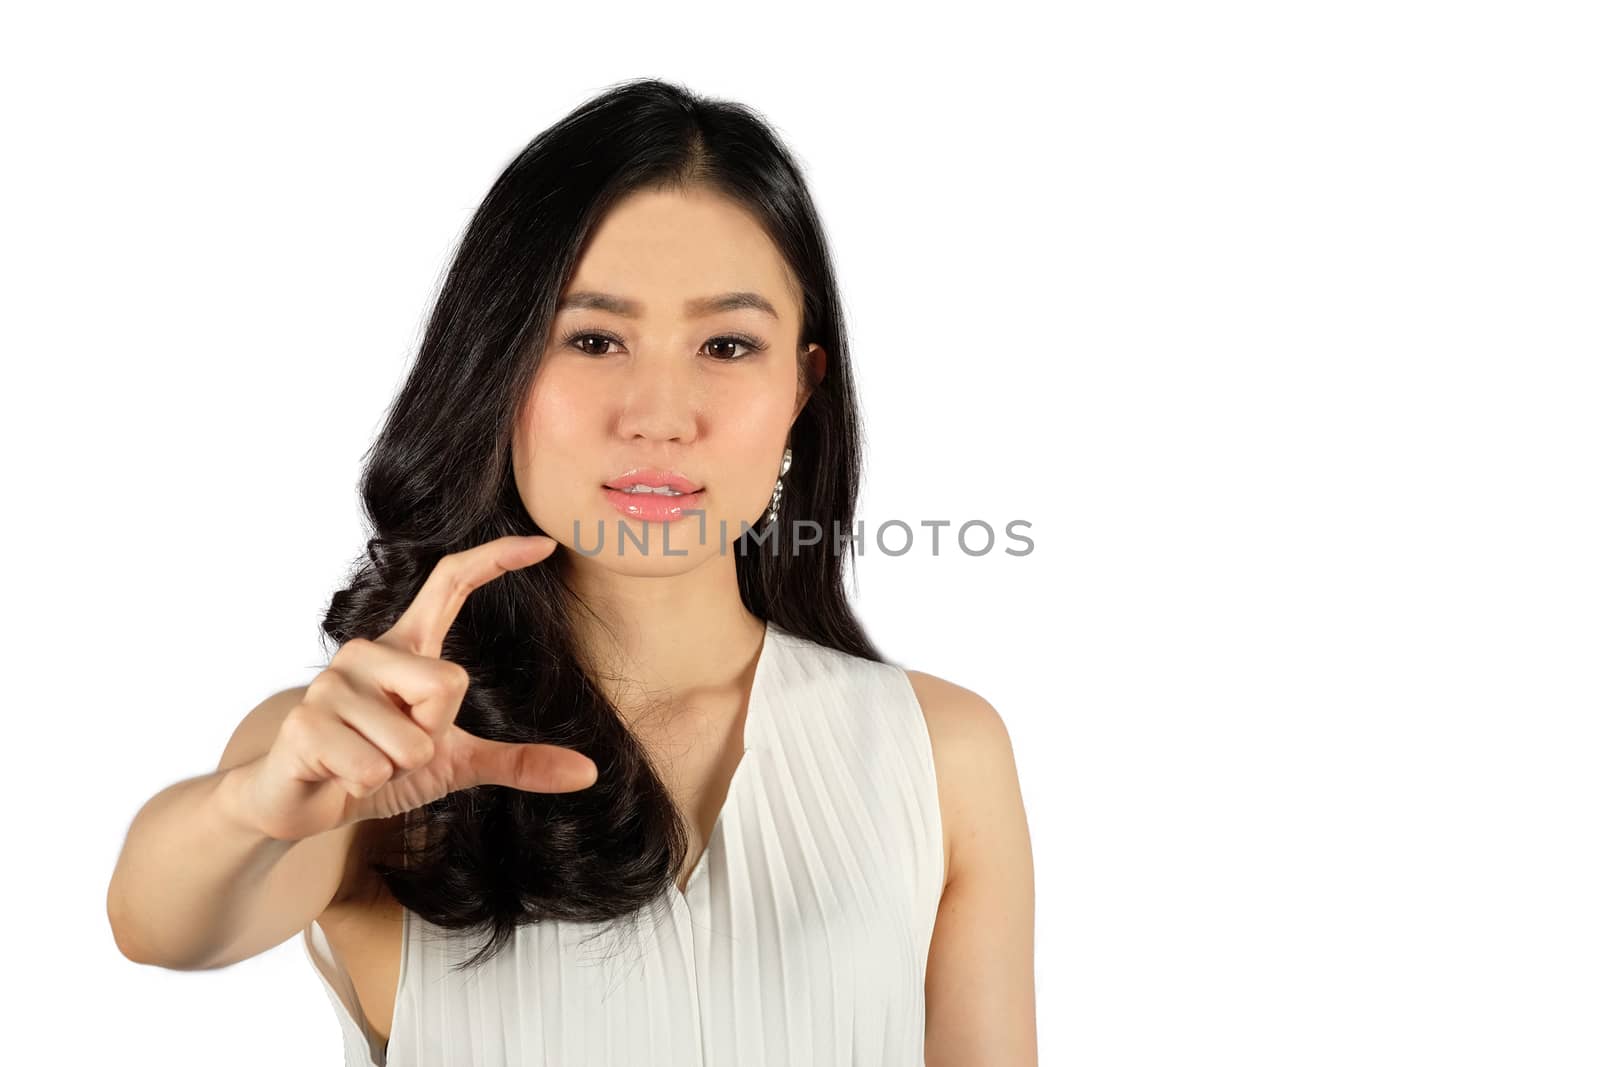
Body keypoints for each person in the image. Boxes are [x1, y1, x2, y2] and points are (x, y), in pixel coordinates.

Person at [106, 77, 1036, 1066]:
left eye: (727, 344)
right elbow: (162, 925)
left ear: (800, 387)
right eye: (592, 339)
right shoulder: (368, 748)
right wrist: (251, 805)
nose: (659, 413)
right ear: (499, 367)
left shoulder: (940, 753)